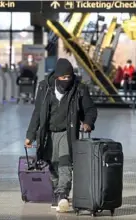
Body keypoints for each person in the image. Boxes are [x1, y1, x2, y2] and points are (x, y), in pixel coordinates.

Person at [24, 58, 97, 212]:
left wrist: (88, 123)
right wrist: (30, 135)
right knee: (51, 165)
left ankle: (62, 194)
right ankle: (57, 192)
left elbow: (90, 110)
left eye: (69, 77)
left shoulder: (79, 89)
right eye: (63, 78)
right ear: (57, 77)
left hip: (67, 132)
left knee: (65, 163)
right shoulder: (45, 88)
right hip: (47, 133)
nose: (67, 80)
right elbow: (37, 113)